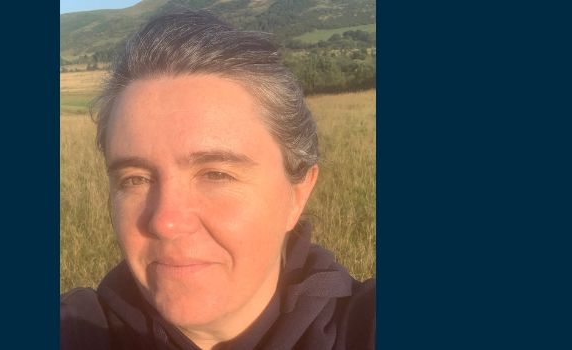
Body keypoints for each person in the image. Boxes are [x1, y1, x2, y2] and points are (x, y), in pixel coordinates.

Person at [60, 9, 375, 350]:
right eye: (135, 179)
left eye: (216, 174)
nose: (165, 222)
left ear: (298, 193)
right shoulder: (77, 329)